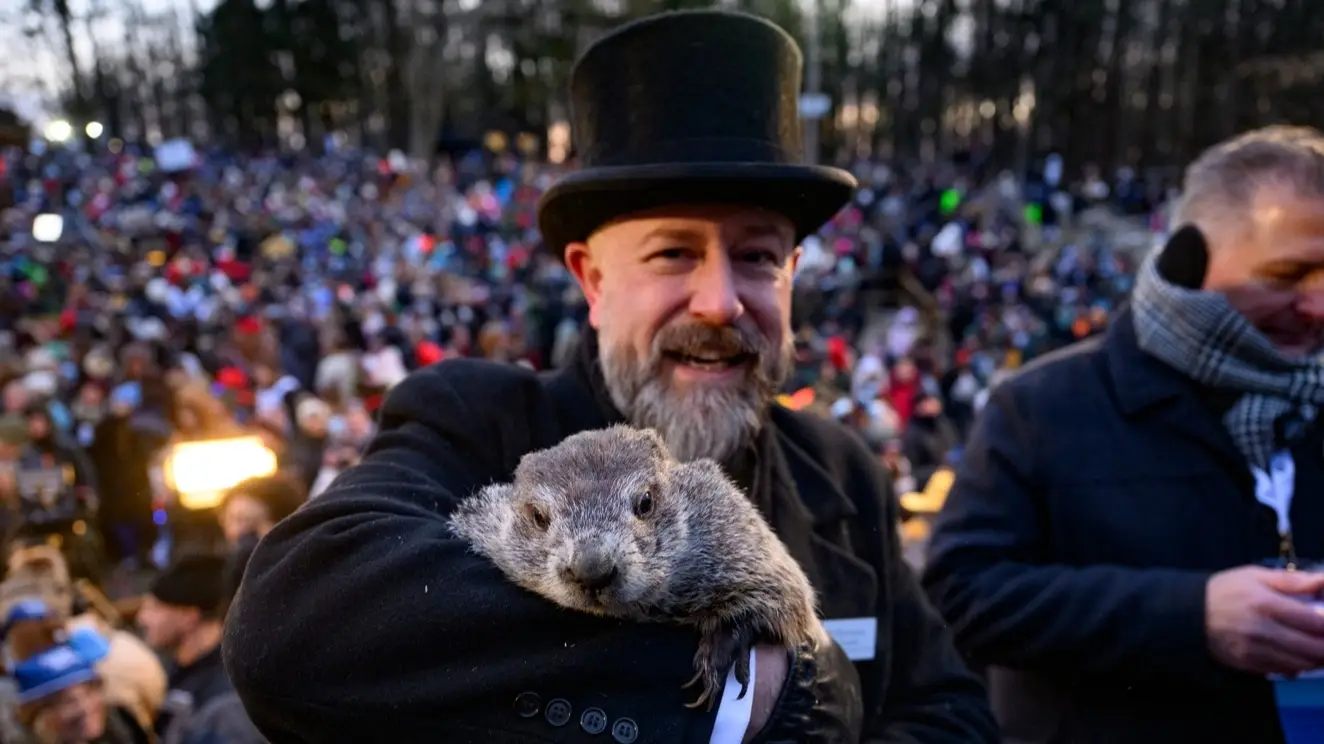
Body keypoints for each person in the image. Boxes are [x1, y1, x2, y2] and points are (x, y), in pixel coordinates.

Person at [224, 10, 995, 743]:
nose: (721, 301)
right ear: (592, 281)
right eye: (673, 253)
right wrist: (756, 709)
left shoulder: (841, 470)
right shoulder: (475, 418)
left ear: (793, 275)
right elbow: (289, 631)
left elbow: (949, 709)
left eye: (758, 256)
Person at [922, 125, 1324, 743]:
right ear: (1189, 261)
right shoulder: (1041, 407)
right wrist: (1191, 617)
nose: (1318, 305)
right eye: (1287, 274)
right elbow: (962, 596)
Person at [137, 555, 263, 744]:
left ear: (189, 617)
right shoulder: (183, 668)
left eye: (155, 608)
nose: (142, 618)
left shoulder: (227, 702)